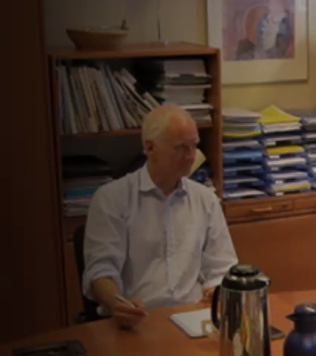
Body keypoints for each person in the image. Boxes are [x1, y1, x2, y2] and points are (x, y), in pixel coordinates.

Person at [83, 104, 237, 329]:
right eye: (181, 147)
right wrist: (118, 304)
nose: (191, 156)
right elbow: (100, 272)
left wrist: (216, 290)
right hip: (138, 320)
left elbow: (221, 267)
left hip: (193, 316)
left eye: (194, 146)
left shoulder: (205, 199)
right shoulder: (112, 199)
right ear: (150, 147)